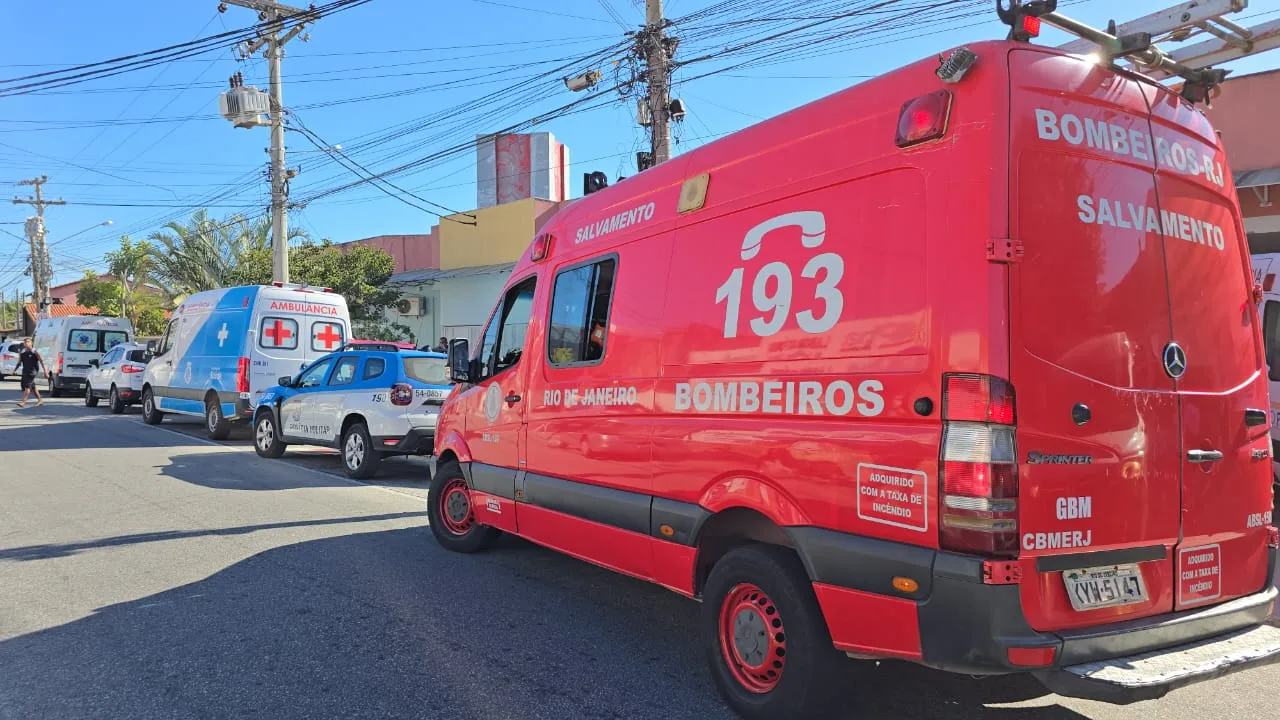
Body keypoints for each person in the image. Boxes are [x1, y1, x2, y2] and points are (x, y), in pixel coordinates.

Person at [16, 338, 47, 408]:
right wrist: (14, 370)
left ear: (31, 343)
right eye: (25, 342)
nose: (26, 343)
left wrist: (45, 372)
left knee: (28, 386)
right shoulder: (23, 353)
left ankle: (23, 402)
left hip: (33, 372)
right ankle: (40, 400)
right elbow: (19, 362)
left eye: (28, 342)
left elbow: (42, 361)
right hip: (25, 371)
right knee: (33, 386)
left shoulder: (35, 352)